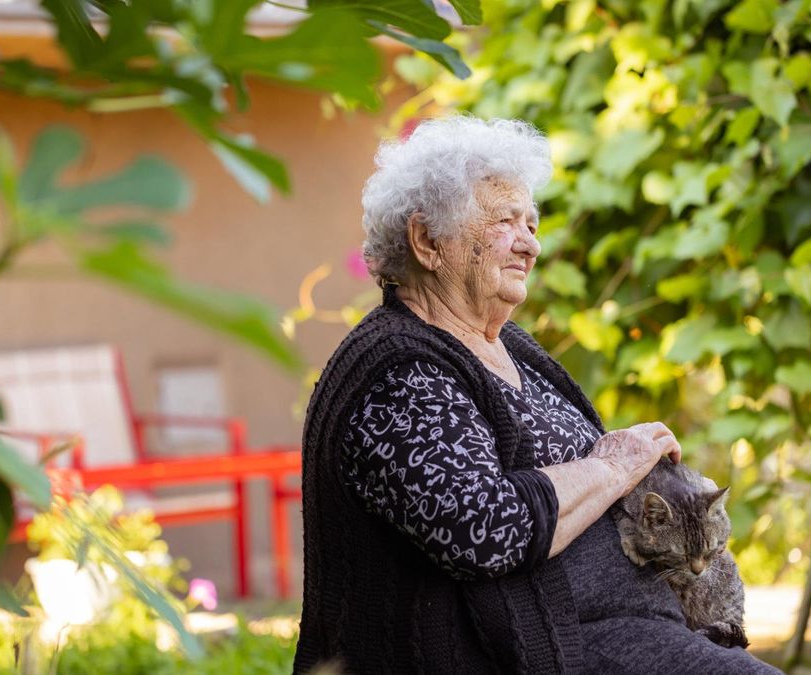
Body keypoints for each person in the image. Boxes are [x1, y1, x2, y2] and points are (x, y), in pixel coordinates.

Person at [293, 116, 781, 674]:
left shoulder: (508, 346)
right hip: (534, 653)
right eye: (506, 221)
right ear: (427, 241)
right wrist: (610, 466)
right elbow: (483, 529)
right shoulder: (397, 371)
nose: (530, 243)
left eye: (532, 222)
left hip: (616, 634)